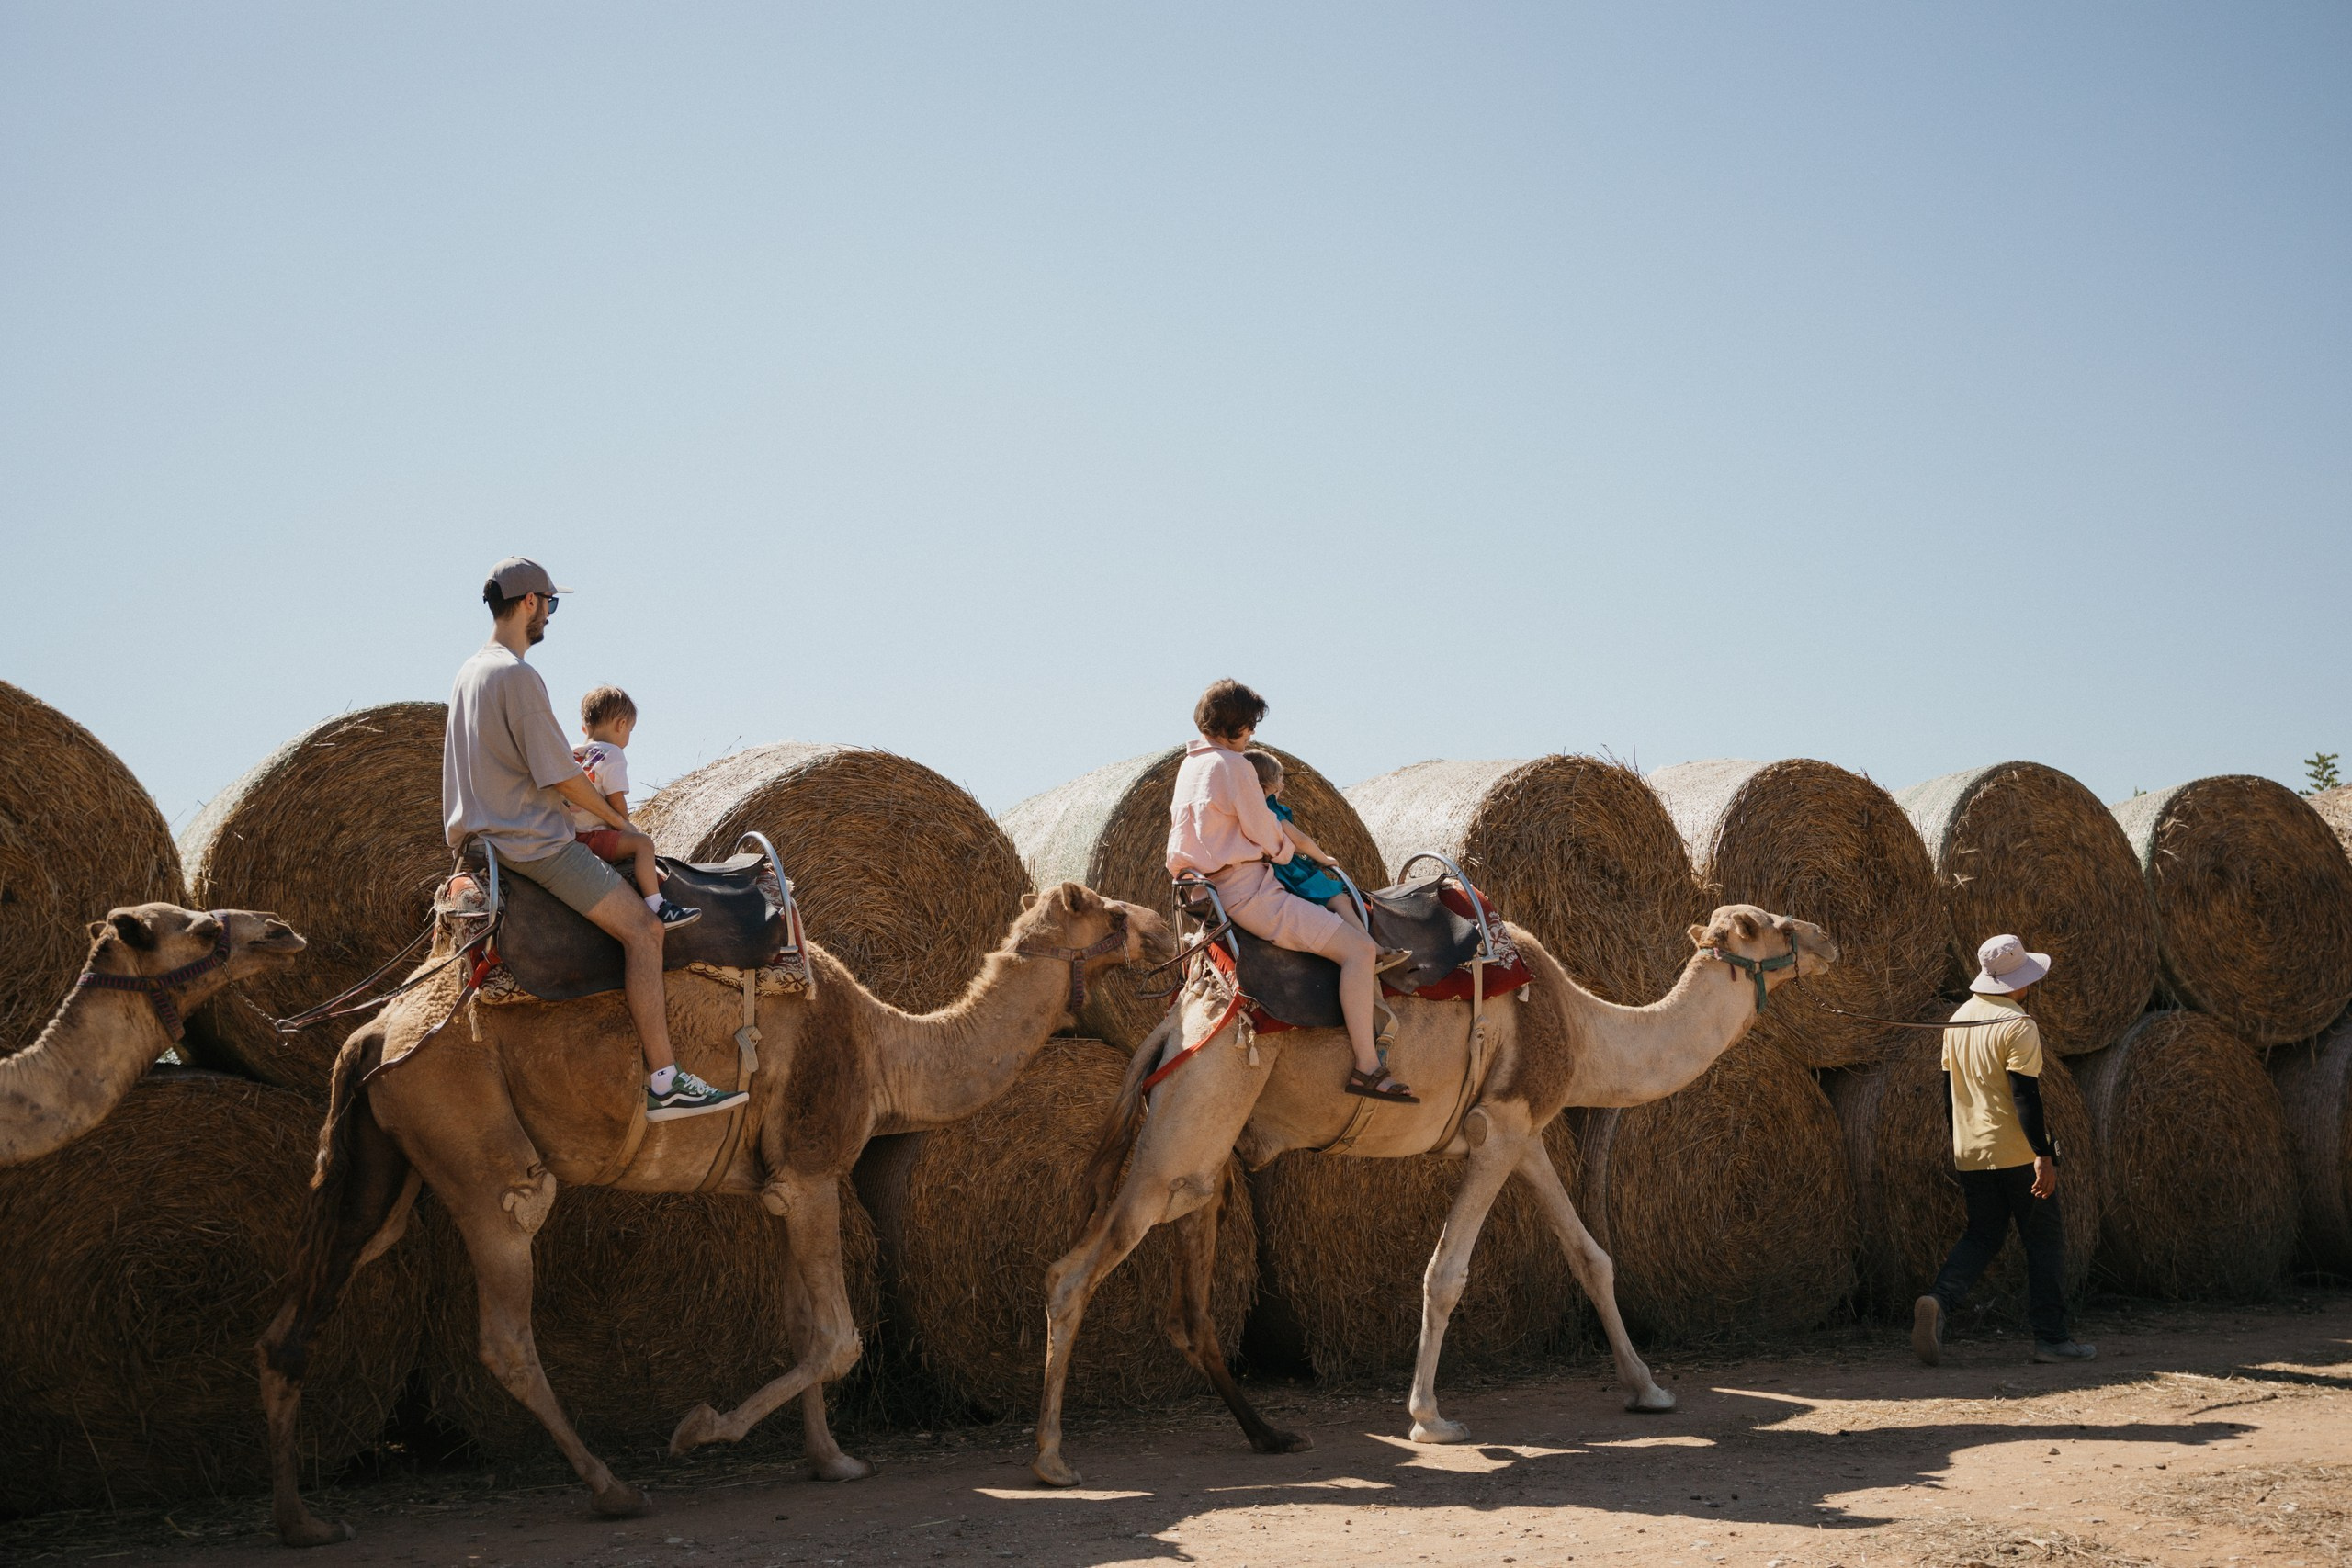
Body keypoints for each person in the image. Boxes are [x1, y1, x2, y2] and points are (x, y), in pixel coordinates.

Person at [443, 557, 745, 1122]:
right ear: (529, 602)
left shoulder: (468, 674)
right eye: (551, 605)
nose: (551, 617)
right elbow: (561, 776)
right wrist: (622, 826)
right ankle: (665, 1079)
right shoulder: (517, 676)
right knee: (646, 930)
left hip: (479, 843)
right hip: (532, 845)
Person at [1167, 679, 1416, 1103]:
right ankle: (1367, 1067)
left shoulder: (1190, 767)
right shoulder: (1235, 766)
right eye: (1249, 726)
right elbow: (1264, 830)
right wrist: (1288, 854)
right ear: (1237, 725)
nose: (1252, 735)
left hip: (1205, 895)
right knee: (1359, 951)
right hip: (1252, 896)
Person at [1912, 933, 2097, 1366]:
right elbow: (2025, 1098)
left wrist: (1961, 1142)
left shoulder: (1958, 1019)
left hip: (1971, 1150)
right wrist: (2043, 1155)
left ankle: (1940, 1300)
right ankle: (2052, 1338)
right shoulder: (2018, 1024)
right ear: (2019, 980)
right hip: (2016, 1152)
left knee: (1983, 1235)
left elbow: (1948, 1094)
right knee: (2044, 1242)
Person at [569, 684, 699, 931]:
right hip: (591, 838)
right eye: (630, 729)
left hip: (563, 837)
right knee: (643, 845)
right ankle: (658, 907)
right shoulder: (613, 754)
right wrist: (627, 828)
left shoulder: (571, 752)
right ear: (621, 725)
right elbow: (616, 799)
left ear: (585, 727)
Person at [1242, 749, 1369, 931]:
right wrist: (1324, 858)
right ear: (1266, 784)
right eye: (1279, 778)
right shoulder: (1270, 807)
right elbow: (1300, 841)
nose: (1283, 786)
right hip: (1289, 872)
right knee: (1338, 899)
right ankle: (1368, 942)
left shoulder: (1247, 809)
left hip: (1263, 875)